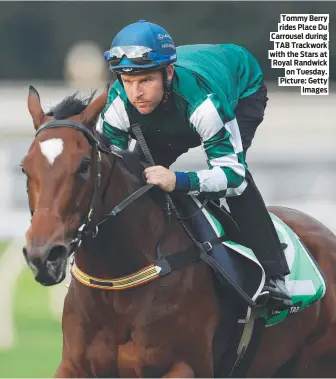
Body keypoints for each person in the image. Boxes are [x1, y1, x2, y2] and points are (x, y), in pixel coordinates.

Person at [97, 20, 292, 307]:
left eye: (146, 80)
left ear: (168, 73)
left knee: (236, 186)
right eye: (127, 81)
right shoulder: (118, 104)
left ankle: (275, 276)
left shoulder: (205, 105)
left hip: (240, 88)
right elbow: (113, 172)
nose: (135, 93)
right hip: (172, 106)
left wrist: (179, 181)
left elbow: (232, 176)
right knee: (138, 176)